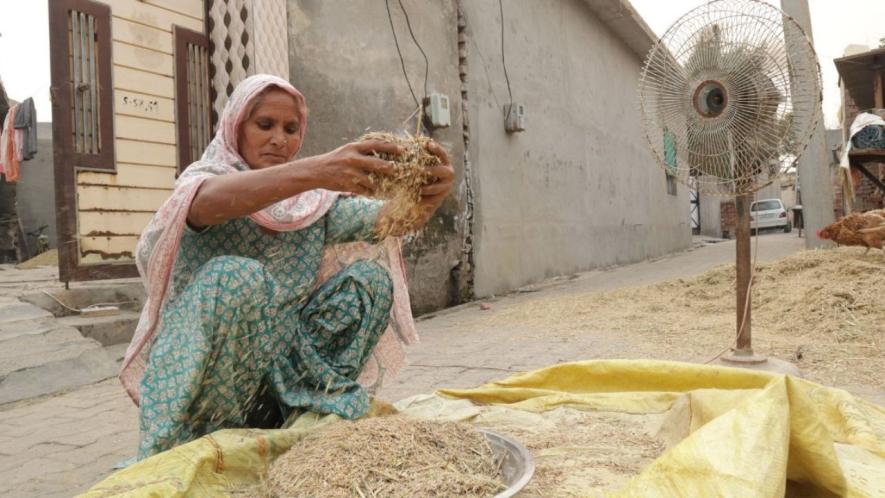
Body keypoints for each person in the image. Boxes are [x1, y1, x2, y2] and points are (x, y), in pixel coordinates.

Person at [120, 74, 454, 459]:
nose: (279, 139)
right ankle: (210, 436)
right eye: (265, 125)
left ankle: (303, 412)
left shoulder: (309, 201)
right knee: (237, 277)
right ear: (235, 127)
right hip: (212, 374)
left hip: (281, 371)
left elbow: (388, 221)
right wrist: (317, 170)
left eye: (290, 129)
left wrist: (428, 193)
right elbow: (202, 205)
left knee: (370, 280)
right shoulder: (207, 179)